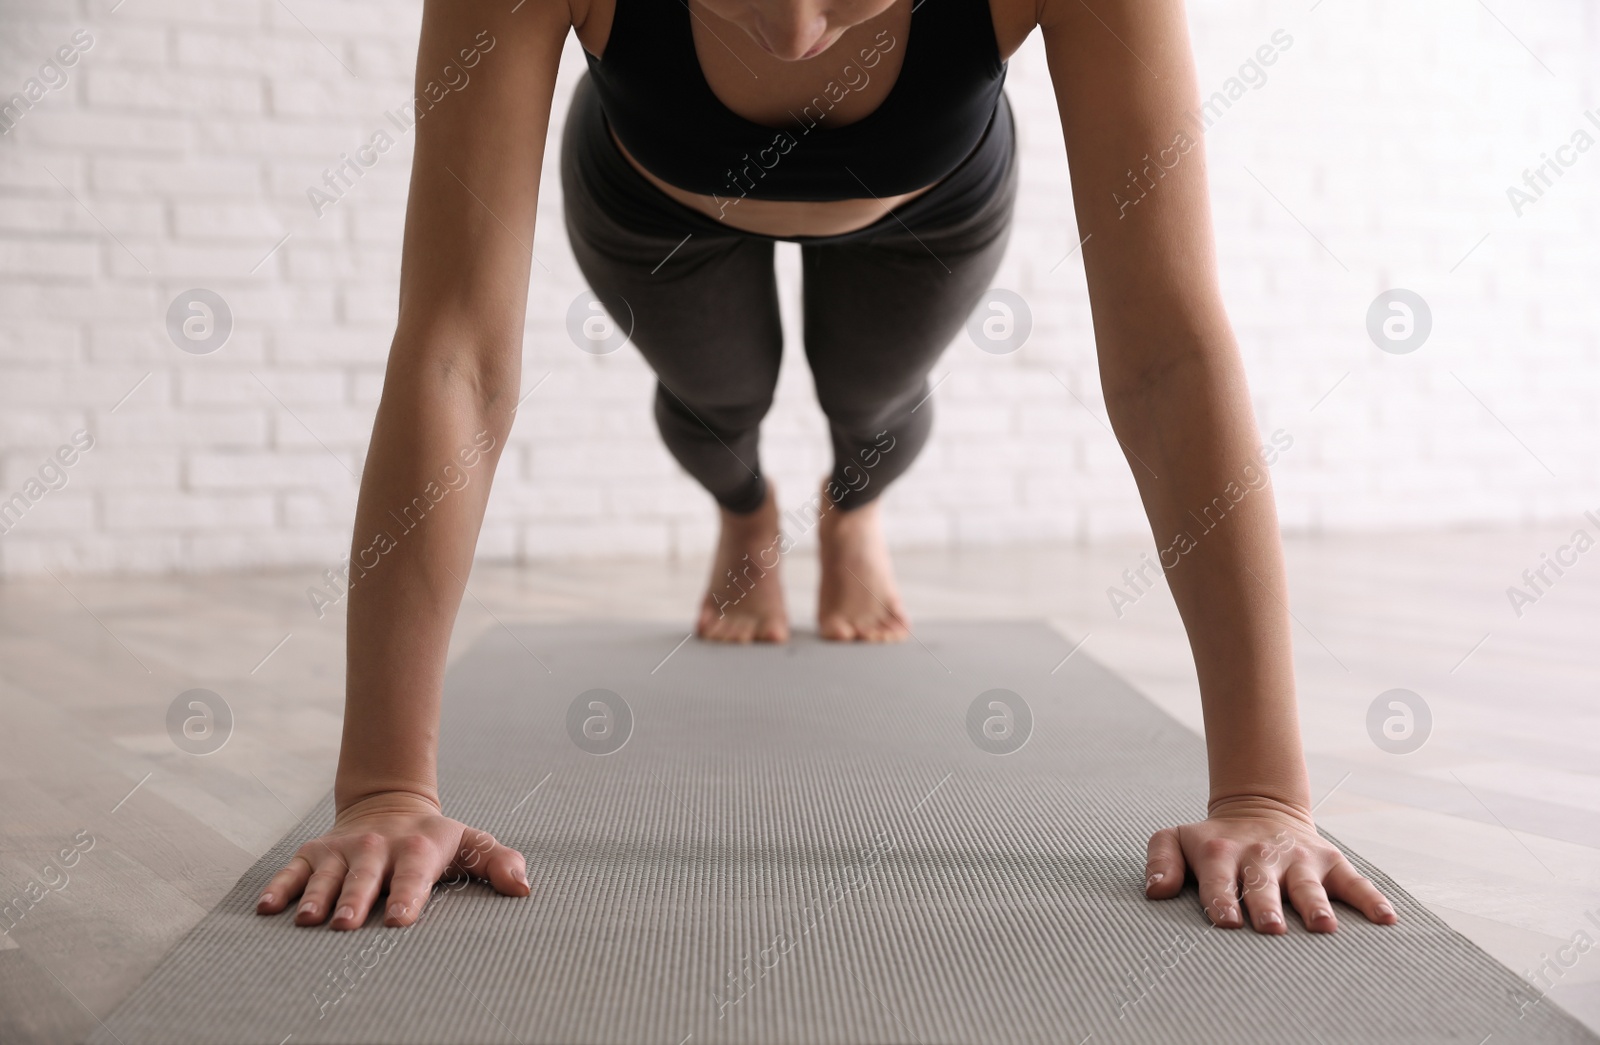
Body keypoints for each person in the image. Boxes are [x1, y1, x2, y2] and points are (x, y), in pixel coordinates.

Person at [256, 0, 1400, 941]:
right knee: (718, 402)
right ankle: (745, 508)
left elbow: (1166, 357)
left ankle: (852, 508)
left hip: (929, 203)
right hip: (651, 195)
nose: (798, 33)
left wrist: (1263, 796)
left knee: (873, 403)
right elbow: (454, 351)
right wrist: (384, 789)